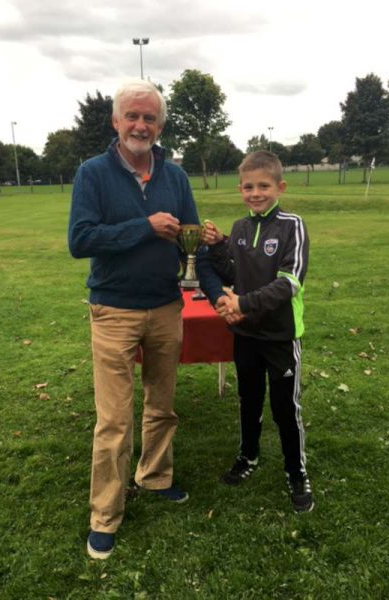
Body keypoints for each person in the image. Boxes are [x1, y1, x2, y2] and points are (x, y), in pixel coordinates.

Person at [68, 80, 223, 559]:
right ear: (116, 122)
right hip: (113, 309)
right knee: (114, 419)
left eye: (150, 118)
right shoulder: (92, 173)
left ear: (159, 126)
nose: (141, 125)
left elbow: (187, 238)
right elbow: (81, 240)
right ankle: (106, 514)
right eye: (132, 116)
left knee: (162, 403)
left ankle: (155, 477)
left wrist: (204, 240)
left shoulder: (174, 176)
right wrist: (145, 227)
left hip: (165, 305)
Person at [203, 150, 314, 513]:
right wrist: (219, 245)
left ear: (279, 187)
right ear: (240, 189)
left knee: (285, 408)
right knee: (248, 402)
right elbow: (235, 276)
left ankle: (296, 472)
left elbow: (290, 283)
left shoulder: (291, 225)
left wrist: (242, 304)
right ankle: (248, 456)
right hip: (247, 336)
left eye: (263, 186)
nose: (255, 193)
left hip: (280, 336)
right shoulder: (239, 227)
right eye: (248, 186)